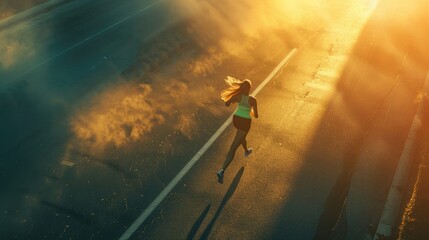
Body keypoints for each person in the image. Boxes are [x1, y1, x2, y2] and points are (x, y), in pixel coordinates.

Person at [217, 76, 258, 184]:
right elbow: (257, 115)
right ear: (250, 88)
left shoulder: (237, 96)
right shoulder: (253, 100)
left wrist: (233, 100)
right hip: (245, 122)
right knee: (234, 147)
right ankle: (222, 171)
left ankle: (246, 150)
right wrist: (250, 110)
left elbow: (226, 104)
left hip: (236, 120)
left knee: (241, 137)